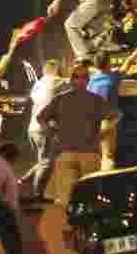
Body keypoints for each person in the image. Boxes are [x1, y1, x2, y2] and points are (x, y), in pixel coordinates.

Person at [36, 61, 110, 209]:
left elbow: (41, 118)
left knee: (64, 199)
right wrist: (102, 134)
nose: (80, 80)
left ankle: (66, 229)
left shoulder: (61, 99)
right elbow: (114, 116)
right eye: (78, 77)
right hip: (89, 153)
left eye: (82, 77)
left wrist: (52, 135)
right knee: (91, 199)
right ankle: (87, 228)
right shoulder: (96, 100)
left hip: (66, 152)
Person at [88, 42, 137, 170]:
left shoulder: (92, 80)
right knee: (108, 157)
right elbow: (127, 64)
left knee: (100, 155)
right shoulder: (112, 77)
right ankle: (108, 184)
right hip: (107, 122)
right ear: (108, 63)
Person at [20, 59, 69, 199]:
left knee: (44, 161)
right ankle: (36, 195)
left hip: (33, 128)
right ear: (56, 69)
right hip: (44, 128)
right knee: (46, 162)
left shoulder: (38, 84)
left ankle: (24, 180)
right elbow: (75, 84)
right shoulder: (57, 81)